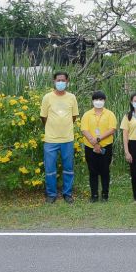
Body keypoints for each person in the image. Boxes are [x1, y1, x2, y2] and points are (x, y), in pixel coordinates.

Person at [40, 71, 79, 204]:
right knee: (50, 168)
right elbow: (43, 117)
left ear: (67, 82)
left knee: (68, 168)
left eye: (63, 80)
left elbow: (74, 117)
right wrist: (52, 127)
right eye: (58, 80)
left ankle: (67, 193)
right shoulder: (47, 97)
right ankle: (51, 194)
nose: (60, 82)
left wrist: (64, 126)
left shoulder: (72, 97)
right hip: (51, 140)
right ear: (54, 81)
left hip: (67, 139)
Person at [79, 91, 117, 203]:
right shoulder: (87, 114)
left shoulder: (110, 114)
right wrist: (94, 143)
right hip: (90, 147)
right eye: (96, 99)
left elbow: (112, 129)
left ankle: (105, 195)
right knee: (92, 171)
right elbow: (84, 129)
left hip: (106, 146)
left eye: (101, 99)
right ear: (92, 101)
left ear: (104, 101)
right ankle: (94, 195)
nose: (98, 102)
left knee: (105, 171)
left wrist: (98, 139)